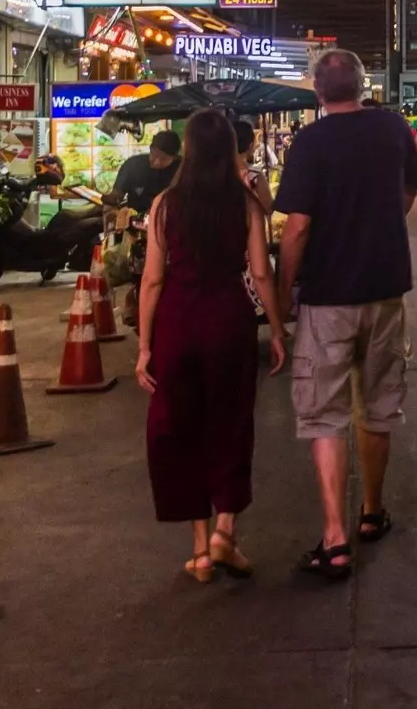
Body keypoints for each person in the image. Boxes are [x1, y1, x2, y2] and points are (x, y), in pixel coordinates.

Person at [275, 49, 417, 579]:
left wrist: (282, 294)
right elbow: (410, 189)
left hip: (328, 297)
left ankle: (335, 538)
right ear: (364, 86)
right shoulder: (393, 129)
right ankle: (372, 512)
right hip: (386, 290)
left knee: (325, 413)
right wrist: (378, 225)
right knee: (379, 406)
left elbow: (297, 228)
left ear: (318, 91)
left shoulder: (309, 142)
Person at [136, 109, 287, 582]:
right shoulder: (244, 204)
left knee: (182, 428)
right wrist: (277, 329)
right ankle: (225, 531)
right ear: (228, 150)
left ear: (189, 150)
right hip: (228, 321)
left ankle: (201, 551)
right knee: (231, 422)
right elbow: (261, 273)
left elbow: (152, 280)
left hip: (177, 323)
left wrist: (145, 347)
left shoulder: (165, 204)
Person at [111, 129, 181, 218]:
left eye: (163, 159)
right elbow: (117, 194)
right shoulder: (132, 165)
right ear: (150, 149)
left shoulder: (182, 169)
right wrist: (111, 206)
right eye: (154, 155)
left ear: (174, 158)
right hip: (136, 220)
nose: (157, 162)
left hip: (169, 220)